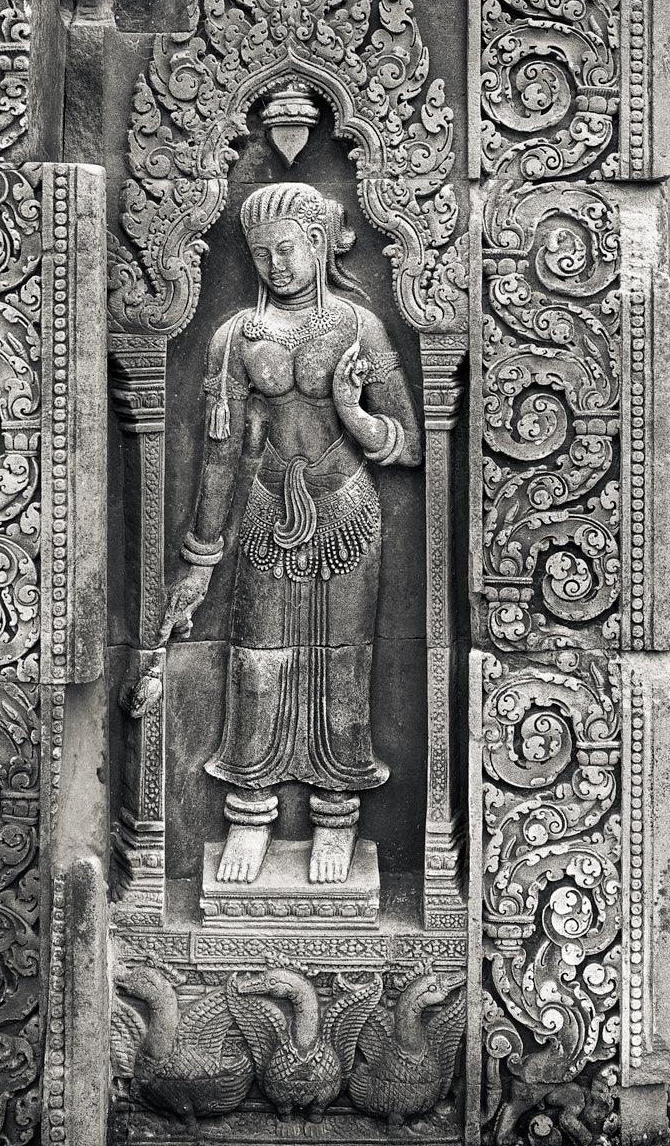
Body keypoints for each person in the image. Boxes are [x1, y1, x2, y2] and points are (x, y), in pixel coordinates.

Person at [165, 183, 422, 886]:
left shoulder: (356, 327)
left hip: (346, 506)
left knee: (343, 663)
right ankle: (249, 812)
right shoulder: (233, 340)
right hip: (265, 510)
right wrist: (198, 559)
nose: (275, 264)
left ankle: (336, 815)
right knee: (256, 661)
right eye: (261, 253)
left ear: (316, 244)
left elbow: (408, 444)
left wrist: (352, 410)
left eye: (287, 248)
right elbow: (219, 454)